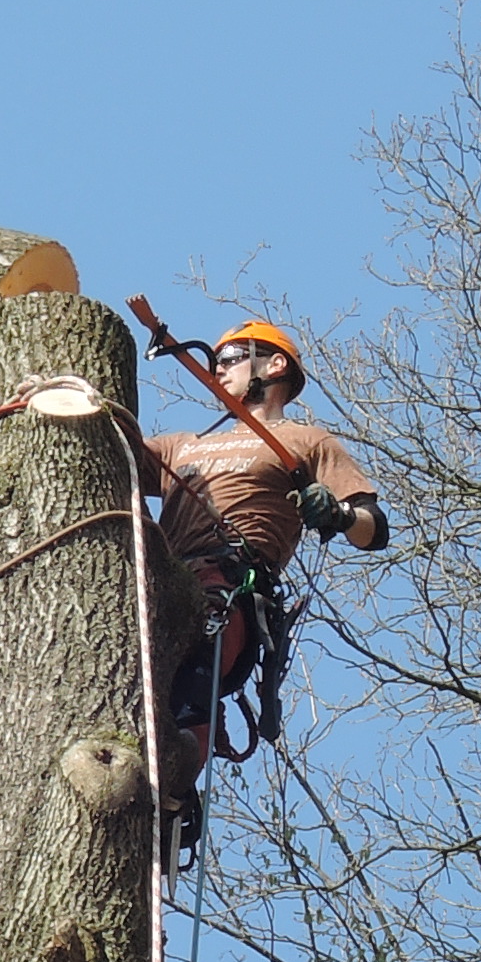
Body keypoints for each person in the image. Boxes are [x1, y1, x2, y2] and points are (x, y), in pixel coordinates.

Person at [141, 319, 387, 824]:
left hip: (227, 581)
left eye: (230, 358)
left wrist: (338, 515)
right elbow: (106, 451)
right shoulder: (181, 446)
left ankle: (179, 767)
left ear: (273, 366)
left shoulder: (305, 441)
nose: (218, 368)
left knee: (197, 663)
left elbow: (374, 529)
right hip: (160, 577)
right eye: (216, 362)